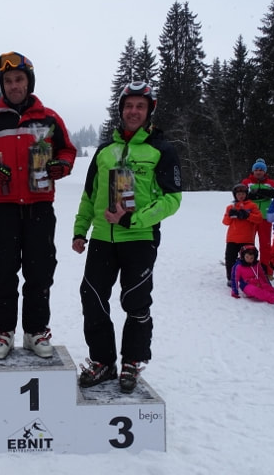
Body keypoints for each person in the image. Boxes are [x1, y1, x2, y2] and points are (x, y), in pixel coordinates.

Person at [72, 81, 182, 394]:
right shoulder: (105, 151)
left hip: (139, 239)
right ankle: (103, 361)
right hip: (102, 239)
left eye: (140, 106)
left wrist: (134, 219)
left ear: (149, 111)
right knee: (92, 297)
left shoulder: (161, 150)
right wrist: (80, 230)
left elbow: (172, 199)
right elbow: (89, 194)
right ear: (121, 110)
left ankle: (132, 360)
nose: (134, 111)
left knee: (135, 301)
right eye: (129, 106)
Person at [0, 51, 77, 360]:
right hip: (2, 208)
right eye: (8, 81)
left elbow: (67, 150)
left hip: (39, 207)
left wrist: (62, 165)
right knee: (4, 272)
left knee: (39, 270)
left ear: (29, 81)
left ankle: (35, 331)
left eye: (19, 79)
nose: (14, 85)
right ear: (2, 85)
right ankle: (4, 331)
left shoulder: (49, 118)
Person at [241, 158, 274, 278]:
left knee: (265, 245)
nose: (258, 172)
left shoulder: (270, 182)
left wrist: (258, 193)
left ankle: (267, 270)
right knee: (248, 244)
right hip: (250, 217)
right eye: (256, 169)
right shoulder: (247, 182)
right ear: (253, 171)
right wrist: (264, 194)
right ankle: (247, 268)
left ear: (265, 171)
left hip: (265, 217)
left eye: (261, 170)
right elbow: (243, 195)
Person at [222, 184, 263, 286]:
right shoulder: (230, 207)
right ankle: (231, 278)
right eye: (238, 194)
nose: (241, 196)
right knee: (230, 259)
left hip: (247, 239)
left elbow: (259, 219)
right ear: (235, 195)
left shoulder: (252, 206)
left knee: (248, 260)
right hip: (232, 238)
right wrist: (230, 215)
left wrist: (247, 215)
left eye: (243, 194)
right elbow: (225, 222)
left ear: (246, 194)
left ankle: (249, 277)